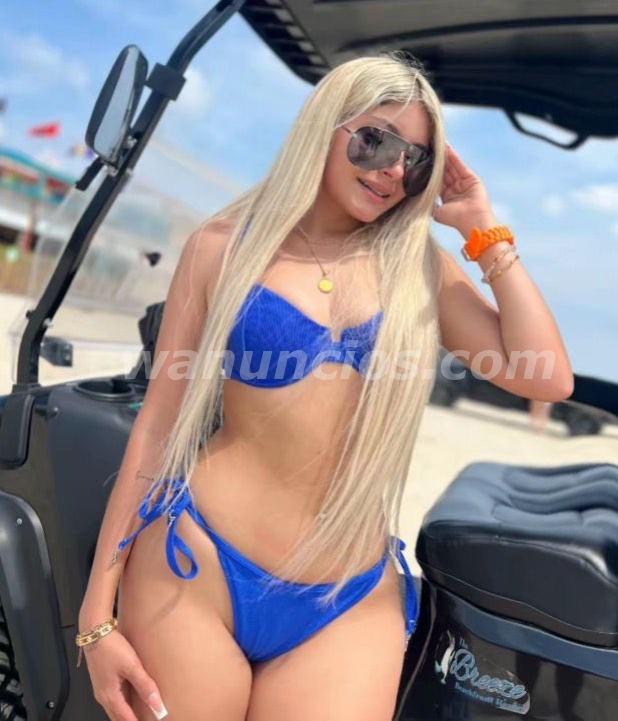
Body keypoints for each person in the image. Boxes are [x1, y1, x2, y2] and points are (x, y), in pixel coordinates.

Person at [77, 52, 574, 721]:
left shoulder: (417, 270)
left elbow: (546, 375)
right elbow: (158, 428)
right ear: (325, 126)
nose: (394, 170)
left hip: (344, 602)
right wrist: (96, 616)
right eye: (376, 141)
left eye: (416, 161)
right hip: (196, 569)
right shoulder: (222, 247)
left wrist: (483, 230)